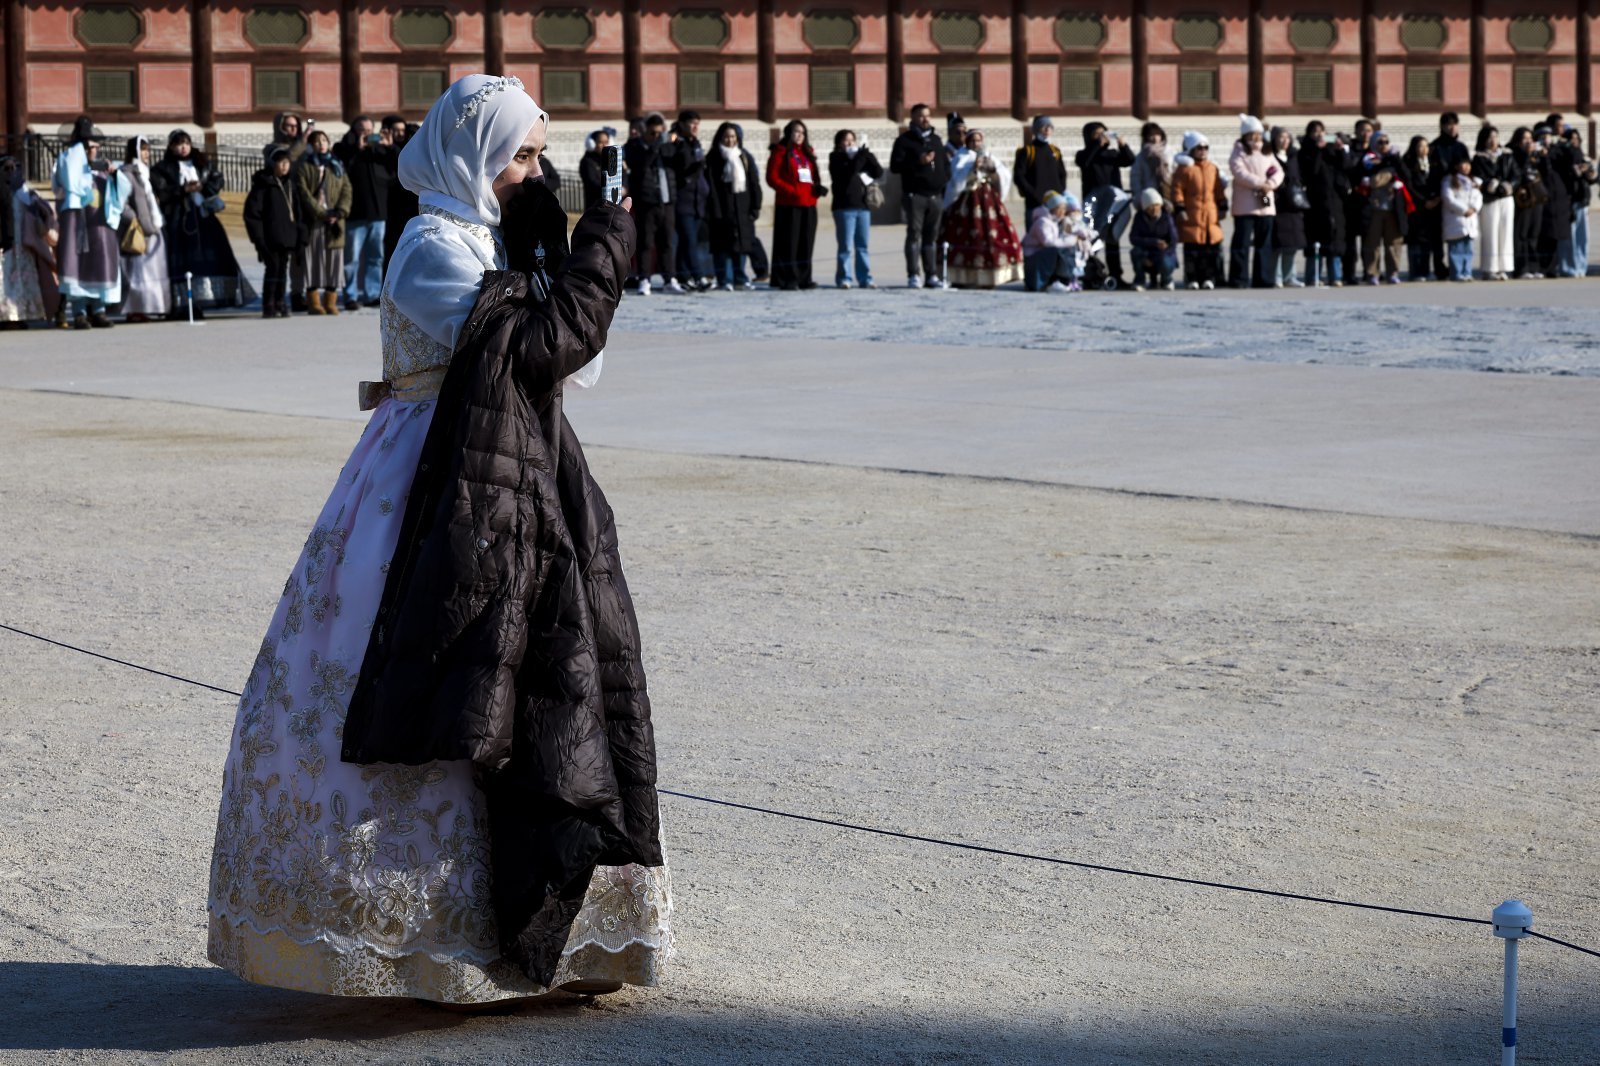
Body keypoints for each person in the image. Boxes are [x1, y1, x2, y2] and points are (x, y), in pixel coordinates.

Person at [206, 72, 669, 1006]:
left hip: (519, 466)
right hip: (425, 478)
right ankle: (421, 941)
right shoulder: (429, 245)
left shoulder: (493, 239)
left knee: (545, 677)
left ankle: (557, 928)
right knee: (437, 665)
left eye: (538, 154)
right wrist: (595, 256)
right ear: (472, 155)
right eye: (520, 156)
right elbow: (537, 346)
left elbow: (579, 362)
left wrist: (554, 259)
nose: (534, 173)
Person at [150, 129, 248, 318]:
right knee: (179, 261)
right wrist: (182, 189)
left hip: (202, 217)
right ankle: (177, 304)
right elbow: (161, 191)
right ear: (171, 146)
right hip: (177, 218)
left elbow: (217, 178)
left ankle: (200, 300)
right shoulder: (163, 168)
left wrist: (203, 187)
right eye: (179, 144)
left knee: (205, 258)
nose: (183, 147)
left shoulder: (201, 162)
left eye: (186, 143)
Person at [52, 117, 124, 329]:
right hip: (78, 222)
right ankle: (79, 312)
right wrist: (80, 156)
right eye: (88, 146)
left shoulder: (101, 168)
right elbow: (64, 185)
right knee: (77, 265)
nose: (92, 150)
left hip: (99, 225)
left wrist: (114, 175)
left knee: (100, 264)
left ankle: (99, 310)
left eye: (94, 146)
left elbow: (120, 192)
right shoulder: (68, 161)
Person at [938, 129, 1022, 289]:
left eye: (978, 140)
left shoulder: (989, 155)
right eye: (972, 141)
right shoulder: (961, 156)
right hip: (967, 201)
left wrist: (993, 170)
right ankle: (963, 276)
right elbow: (956, 181)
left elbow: (1004, 175)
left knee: (991, 234)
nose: (976, 144)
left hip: (988, 200)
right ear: (967, 142)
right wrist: (972, 169)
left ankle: (990, 276)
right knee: (965, 235)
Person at [336, 115, 399, 310]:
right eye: (361, 130)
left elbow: (399, 168)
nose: (366, 134)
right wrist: (357, 149)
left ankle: (372, 294)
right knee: (351, 259)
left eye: (369, 131)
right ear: (354, 131)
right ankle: (350, 295)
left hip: (378, 214)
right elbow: (340, 171)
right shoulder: (344, 148)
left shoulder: (380, 150)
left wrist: (390, 147)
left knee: (375, 258)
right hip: (355, 214)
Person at [889, 103, 950, 289]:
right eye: (921, 116)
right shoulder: (904, 141)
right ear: (913, 118)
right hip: (915, 195)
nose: (925, 119)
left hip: (935, 196)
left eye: (928, 115)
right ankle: (914, 275)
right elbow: (895, 166)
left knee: (931, 236)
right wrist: (918, 161)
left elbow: (943, 165)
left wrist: (942, 180)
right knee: (914, 234)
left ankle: (931, 275)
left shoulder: (936, 140)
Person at [623, 112, 684, 295]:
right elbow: (640, 168)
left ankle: (670, 278)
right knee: (646, 243)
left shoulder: (668, 147)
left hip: (667, 201)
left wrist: (679, 143)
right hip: (646, 202)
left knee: (667, 242)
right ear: (645, 132)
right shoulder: (635, 147)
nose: (656, 137)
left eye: (659, 133)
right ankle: (644, 279)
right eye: (652, 133)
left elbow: (681, 163)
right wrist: (655, 147)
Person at [295, 128, 352, 315]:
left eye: (324, 141)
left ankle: (330, 300)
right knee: (313, 259)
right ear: (311, 146)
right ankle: (313, 301)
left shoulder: (337, 165)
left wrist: (340, 211)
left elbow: (346, 190)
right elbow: (303, 192)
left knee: (333, 260)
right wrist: (321, 213)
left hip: (335, 221)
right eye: (317, 141)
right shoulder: (305, 166)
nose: (321, 144)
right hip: (314, 221)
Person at [243, 145, 304, 318]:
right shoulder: (263, 185)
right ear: (272, 164)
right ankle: (268, 303)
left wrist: (300, 237)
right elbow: (252, 214)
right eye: (280, 162)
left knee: (282, 270)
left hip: (288, 236)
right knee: (272, 268)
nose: (284, 166)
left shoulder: (291, 185)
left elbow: (299, 213)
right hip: (270, 237)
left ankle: (280, 301)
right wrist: (259, 239)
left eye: (287, 162)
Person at [766, 119, 826, 290]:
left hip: (809, 203)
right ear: (789, 133)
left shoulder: (808, 153)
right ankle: (788, 278)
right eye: (796, 132)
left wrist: (817, 188)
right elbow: (772, 178)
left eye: (802, 133)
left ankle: (804, 278)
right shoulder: (781, 151)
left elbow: (811, 176)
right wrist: (791, 191)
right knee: (789, 244)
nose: (800, 135)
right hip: (789, 204)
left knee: (806, 242)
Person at [1, 154, 58, 327]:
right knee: (5, 280)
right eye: (7, 169)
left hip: (23, 244)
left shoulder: (25, 191)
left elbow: (40, 210)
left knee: (23, 278)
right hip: (5, 243)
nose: (11, 172)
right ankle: (8, 317)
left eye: (15, 168)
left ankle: (23, 314)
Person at [1075, 121, 1135, 285]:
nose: (1102, 136)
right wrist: (1097, 145)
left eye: (1104, 133)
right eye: (1097, 134)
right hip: (1093, 204)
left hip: (1112, 204)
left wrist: (1123, 145)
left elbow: (1130, 160)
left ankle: (1116, 275)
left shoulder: (1112, 154)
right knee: (1091, 238)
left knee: (1112, 238)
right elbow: (1085, 162)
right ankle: (1088, 273)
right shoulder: (1083, 154)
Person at [705, 121, 762, 291]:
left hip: (743, 207)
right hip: (723, 208)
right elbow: (711, 186)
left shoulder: (744, 156)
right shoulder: (714, 158)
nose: (729, 140)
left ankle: (740, 278)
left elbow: (754, 182)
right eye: (726, 137)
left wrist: (755, 206)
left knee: (742, 245)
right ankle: (724, 279)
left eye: (732, 137)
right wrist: (715, 210)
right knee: (722, 247)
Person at [118, 136, 170, 322]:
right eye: (143, 149)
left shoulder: (146, 173)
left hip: (153, 229)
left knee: (155, 271)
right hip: (138, 230)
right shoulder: (126, 173)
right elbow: (121, 203)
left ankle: (155, 306)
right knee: (138, 273)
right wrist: (135, 219)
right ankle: (135, 308)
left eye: (148, 149)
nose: (146, 153)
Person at [1228, 114, 1279, 288]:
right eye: (1252, 134)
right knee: (1241, 243)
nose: (1256, 137)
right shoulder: (1238, 151)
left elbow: (1278, 171)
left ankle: (1263, 278)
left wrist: (1270, 184)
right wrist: (1260, 183)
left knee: (1264, 243)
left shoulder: (1267, 151)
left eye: (1258, 134)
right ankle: (1239, 279)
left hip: (1264, 199)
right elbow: (1239, 172)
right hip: (1245, 205)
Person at [1171, 131, 1227, 290]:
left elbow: (1218, 190)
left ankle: (1208, 277)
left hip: (1210, 215)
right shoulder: (1185, 169)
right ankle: (1192, 278)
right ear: (1191, 150)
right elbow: (1177, 190)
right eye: (1199, 148)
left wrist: (1222, 205)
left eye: (1205, 147)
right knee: (1192, 250)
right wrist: (1180, 207)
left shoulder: (1212, 168)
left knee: (1210, 250)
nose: (1203, 151)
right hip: (1192, 215)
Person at [827, 129, 882, 289]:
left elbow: (877, 172)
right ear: (839, 143)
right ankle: (844, 278)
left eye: (852, 139)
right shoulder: (836, 157)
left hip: (863, 207)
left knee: (862, 246)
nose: (850, 143)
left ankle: (865, 278)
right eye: (846, 140)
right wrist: (860, 156)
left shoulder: (861, 157)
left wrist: (868, 154)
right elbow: (850, 171)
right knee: (845, 246)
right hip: (844, 207)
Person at [1298, 121, 1348, 287]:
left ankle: (1335, 276)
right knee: (1315, 240)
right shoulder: (1305, 151)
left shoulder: (1332, 149)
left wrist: (1341, 149)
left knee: (1334, 239)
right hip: (1314, 201)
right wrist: (1318, 150)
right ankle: (1313, 276)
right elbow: (1311, 171)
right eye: (1315, 132)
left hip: (1334, 202)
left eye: (1322, 131)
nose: (1319, 135)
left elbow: (1346, 167)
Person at [1357, 131, 1409, 284]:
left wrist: (1395, 160)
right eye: (1380, 142)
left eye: (1386, 142)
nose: (1384, 145)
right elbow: (1372, 178)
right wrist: (1387, 169)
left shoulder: (1394, 159)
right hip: (1374, 207)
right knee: (1372, 243)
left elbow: (1405, 175)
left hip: (1393, 207)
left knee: (1394, 243)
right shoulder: (1368, 159)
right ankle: (1372, 273)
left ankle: (1393, 272)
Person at [671, 112, 711, 292]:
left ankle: (684, 276)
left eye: (697, 123)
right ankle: (698, 275)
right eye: (692, 123)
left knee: (686, 242)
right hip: (683, 200)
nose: (695, 127)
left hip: (697, 201)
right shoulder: (675, 142)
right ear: (682, 124)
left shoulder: (696, 143)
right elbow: (681, 168)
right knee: (689, 240)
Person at [1021, 191, 1089, 292]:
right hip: (1035, 257)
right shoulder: (1042, 222)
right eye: (1061, 208)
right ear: (1053, 208)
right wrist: (1071, 240)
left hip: (1042, 255)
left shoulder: (1053, 221)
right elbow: (1048, 242)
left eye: (1064, 209)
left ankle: (1066, 279)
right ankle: (1060, 280)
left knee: (1066, 249)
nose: (1063, 212)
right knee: (1060, 250)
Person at [1268, 126, 1306, 288]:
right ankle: (1276, 276)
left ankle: (1289, 276)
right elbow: (1263, 184)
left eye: (1287, 137)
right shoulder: (1269, 156)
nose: (1284, 141)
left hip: (1293, 205)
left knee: (1292, 244)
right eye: (1280, 137)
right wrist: (1265, 204)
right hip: (1276, 205)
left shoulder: (1294, 156)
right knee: (1277, 244)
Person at [1535, 124, 1575, 278]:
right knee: (1542, 234)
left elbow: (1570, 161)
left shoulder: (1558, 151)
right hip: (1541, 197)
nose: (1546, 139)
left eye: (1548, 136)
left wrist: (1567, 145)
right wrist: (1542, 157)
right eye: (1542, 137)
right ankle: (1541, 266)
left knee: (1555, 235)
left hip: (1558, 198)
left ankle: (1552, 267)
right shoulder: (1535, 153)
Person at [1397, 136, 1439, 281]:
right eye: (1421, 146)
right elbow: (1409, 186)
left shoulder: (1432, 163)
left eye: (1426, 146)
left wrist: (1435, 199)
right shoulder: (1408, 164)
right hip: (1415, 207)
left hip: (1431, 207)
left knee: (1427, 241)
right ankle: (1415, 271)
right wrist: (1423, 201)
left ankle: (1425, 270)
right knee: (1415, 241)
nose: (1424, 149)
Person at [1508, 127, 1547, 279]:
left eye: (1530, 138)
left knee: (1534, 233)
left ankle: (1534, 266)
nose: (1528, 142)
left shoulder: (1535, 155)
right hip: (1523, 199)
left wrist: (1544, 157)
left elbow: (1546, 172)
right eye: (1525, 138)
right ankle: (1521, 267)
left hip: (1537, 198)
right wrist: (1526, 154)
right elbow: (1519, 174)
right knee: (1521, 234)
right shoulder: (1515, 155)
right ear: (1518, 141)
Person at [1013, 116, 1066, 220]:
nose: (1047, 129)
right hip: (1034, 204)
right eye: (1043, 126)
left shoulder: (1055, 151)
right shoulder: (1027, 151)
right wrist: (1033, 193)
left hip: (1055, 204)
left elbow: (1062, 173)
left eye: (1049, 127)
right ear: (1036, 129)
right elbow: (1018, 176)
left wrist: (1060, 191)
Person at [1342, 117, 1375, 281]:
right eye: (1362, 130)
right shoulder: (1349, 150)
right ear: (1356, 132)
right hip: (1351, 201)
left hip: (1369, 202)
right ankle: (1349, 274)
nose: (1365, 134)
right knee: (1350, 241)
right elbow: (1346, 168)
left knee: (1369, 241)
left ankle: (1370, 271)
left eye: (1368, 130)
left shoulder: (1375, 151)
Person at [1440, 159, 1482, 281]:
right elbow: (1448, 199)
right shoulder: (1449, 180)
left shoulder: (1474, 181)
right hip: (1456, 219)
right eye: (1463, 164)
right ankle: (1457, 273)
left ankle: (1467, 272)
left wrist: (1474, 208)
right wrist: (1464, 210)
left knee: (1468, 249)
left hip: (1470, 219)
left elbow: (1478, 197)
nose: (1466, 167)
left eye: (1468, 164)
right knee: (1456, 248)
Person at [1127, 188, 1178, 290]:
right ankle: (1140, 281)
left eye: (1156, 205)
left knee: (1165, 261)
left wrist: (1164, 249)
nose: (1154, 209)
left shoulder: (1166, 217)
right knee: (1135, 252)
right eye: (1150, 207)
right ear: (1145, 208)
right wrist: (1153, 243)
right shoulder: (1139, 217)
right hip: (1146, 253)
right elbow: (1133, 238)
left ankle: (1166, 280)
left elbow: (1174, 239)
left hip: (1163, 253)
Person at [1566, 128, 1595, 277]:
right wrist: (1575, 171)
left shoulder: (1583, 158)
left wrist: (1590, 173)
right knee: (1570, 238)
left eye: (1577, 138)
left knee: (1583, 238)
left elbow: (1593, 179)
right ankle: (1571, 267)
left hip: (1583, 201)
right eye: (1571, 138)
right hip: (1570, 201)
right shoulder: (1563, 158)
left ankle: (1582, 267)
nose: (1574, 141)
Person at [1129, 122, 1171, 207]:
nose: (1155, 138)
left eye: (1157, 135)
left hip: (1168, 193)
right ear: (1146, 137)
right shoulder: (1141, 157)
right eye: (1151, 135)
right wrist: (1139, 197)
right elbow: (1136, 178)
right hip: (1150, 197)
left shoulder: (1170, 153)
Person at [579, 128, 619, 210]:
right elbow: (593, 182)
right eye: (600, 142)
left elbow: (622, 175)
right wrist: (609, 188)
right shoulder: (587, 161)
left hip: (612, 205)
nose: (604, 145)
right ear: (592, 144)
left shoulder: (612, 160)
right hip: (595, 206)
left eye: (606, 142)